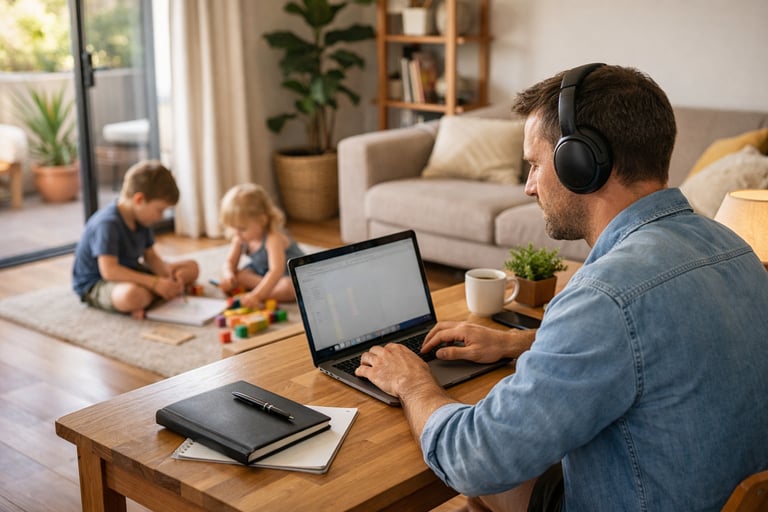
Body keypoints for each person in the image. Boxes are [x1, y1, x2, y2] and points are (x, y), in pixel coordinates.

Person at [355, 63, 768, 511]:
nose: (529, 187)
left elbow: (473, 459)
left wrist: (414, 383)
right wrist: (523, 342)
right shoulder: (732, 247)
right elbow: (658, 340)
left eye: (534, 164)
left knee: (487, 478)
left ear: (582, 163)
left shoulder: (605, 296)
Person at [73, 160, 199, 319]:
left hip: (131, 271)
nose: (160, 217)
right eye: (159, 210)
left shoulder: (142, 219)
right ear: (139, 200)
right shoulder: (107, 224)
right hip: (99, 282)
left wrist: (167, 278)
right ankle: (150, 295)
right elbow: (109, 271)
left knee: (192, 268)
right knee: (132, 295)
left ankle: (155, 294)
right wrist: (155, 283)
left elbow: (151, 257)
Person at [217, 183, 303, 309]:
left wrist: (257, 296)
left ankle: (262, 293)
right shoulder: (240, 237)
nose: (236, 233)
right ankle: (264, 290)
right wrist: (228, 275)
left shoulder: (273, 238)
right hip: (262, 273)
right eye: (233, 228)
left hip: (287, 274)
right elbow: (229, 262)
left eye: (242, 228)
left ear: (262, 220)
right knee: (239, 275)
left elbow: (276, 271)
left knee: (290, 287)